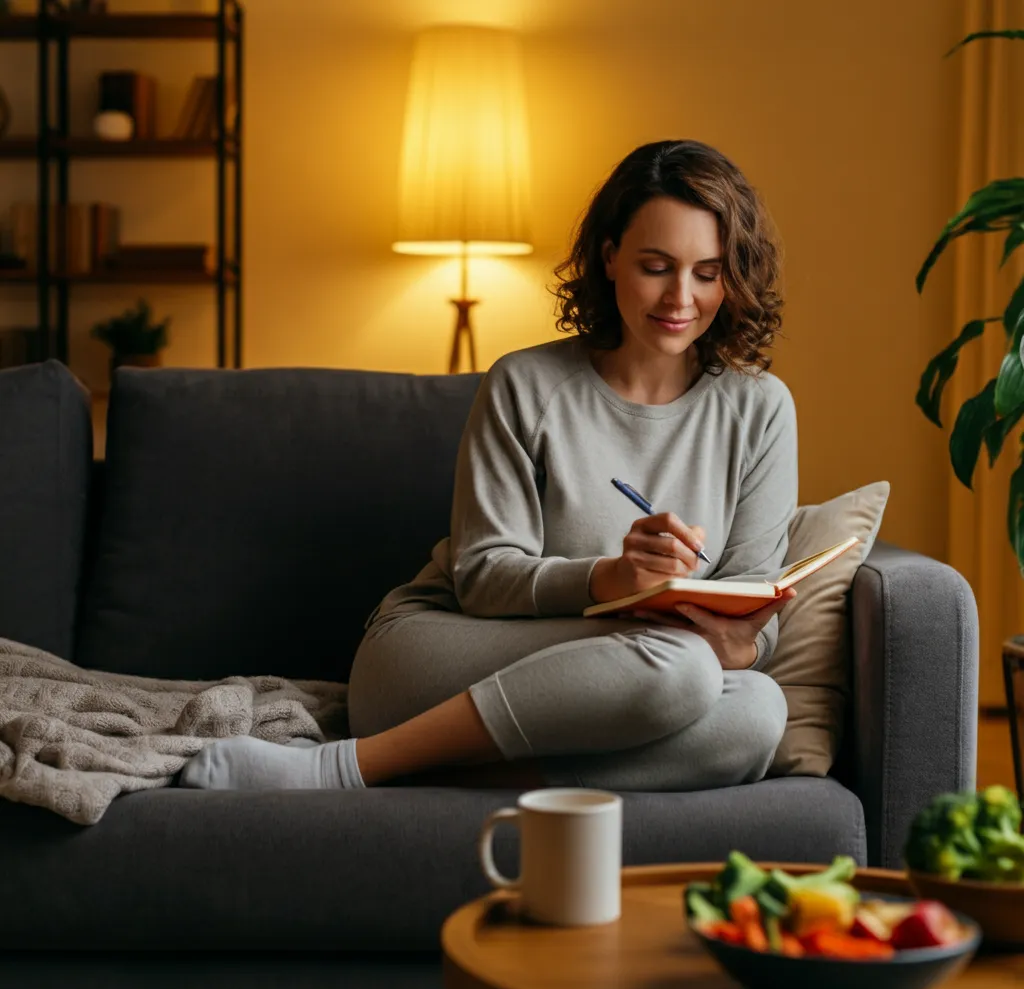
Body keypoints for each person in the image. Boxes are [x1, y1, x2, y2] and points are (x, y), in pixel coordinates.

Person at [180, 138, 798, 794]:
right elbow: (480, 577)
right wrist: (611, 579)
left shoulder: (760, 409)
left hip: (637, 675)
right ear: (611, 256)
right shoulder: (525, 384)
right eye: (657, 266)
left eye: (707, 272)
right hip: (443, 648)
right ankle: (337, 771)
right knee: (681, 671)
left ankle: (458, 766)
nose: (681, 296)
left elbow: (753, 597)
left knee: (759, 712)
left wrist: (746, 647)